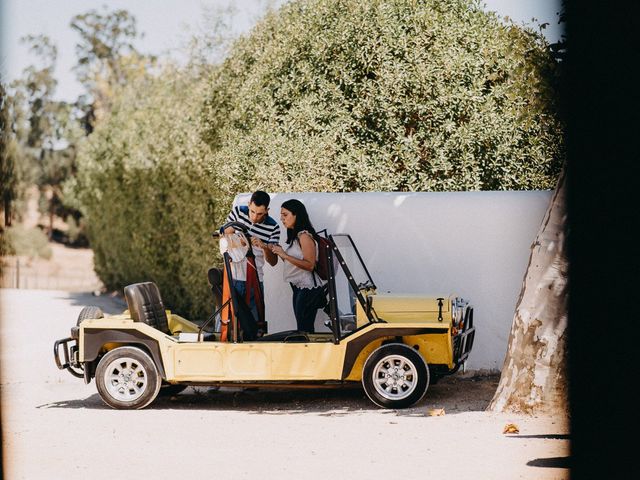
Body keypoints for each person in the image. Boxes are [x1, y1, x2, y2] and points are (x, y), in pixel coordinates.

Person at [223, 190, 280, 328]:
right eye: (253, 211)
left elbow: (273, 262)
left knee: (254, 324)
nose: (254, 217)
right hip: (234, 276)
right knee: (232, 323)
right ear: (249, 204)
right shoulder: (238, 212)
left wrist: (264, 246)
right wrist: (238, 239)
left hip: (255, 280)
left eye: (260, 213)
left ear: (267, 210)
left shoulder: (274, 227)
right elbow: (223, 234)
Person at [270, 199, 327, 333]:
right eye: (281, 215)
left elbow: (309, 265)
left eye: (285, 215)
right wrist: (280, 253)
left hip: (308, 289)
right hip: (299, 288)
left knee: (304, 329)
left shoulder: (304, 236)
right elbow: (294, 265)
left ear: (296, 215)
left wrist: (284, 255)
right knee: (303, 327)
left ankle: (308, 353)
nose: (281, 218)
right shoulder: (296, 237)